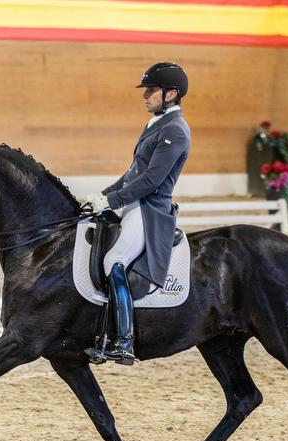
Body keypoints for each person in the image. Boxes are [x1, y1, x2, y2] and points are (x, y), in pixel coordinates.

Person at [84, 62, 191, 366]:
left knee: (114, 260)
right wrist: (103, 196)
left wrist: (112, 200)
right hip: (135, 203)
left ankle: (123, 341)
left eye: (151, 90)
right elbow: (132, 173)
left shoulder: (175, 130)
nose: (145, 95)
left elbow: (151, 181)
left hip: (150, 208)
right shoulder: (157, 124)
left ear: (171, 94)